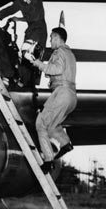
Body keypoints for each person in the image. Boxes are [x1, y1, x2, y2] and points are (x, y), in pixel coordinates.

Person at [29, 27, 76, 173]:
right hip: (71, 95)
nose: (50, 41)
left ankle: (48, 161)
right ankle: (65, 143)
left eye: (51, 38)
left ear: (57, 37)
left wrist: (38, 64)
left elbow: (57, 69)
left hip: (61, 92)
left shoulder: (59, 52)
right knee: (52, 125)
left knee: (41, 124)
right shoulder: (70, 54)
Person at [0, 0, 47, 88]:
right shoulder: (20, 1)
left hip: (39, 30)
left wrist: (18, 19)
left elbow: (36, 17)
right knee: (23, 57)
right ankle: (23, 82)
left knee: (29, 53)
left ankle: (30, 82)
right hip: (30, 30)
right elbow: (11, 9)